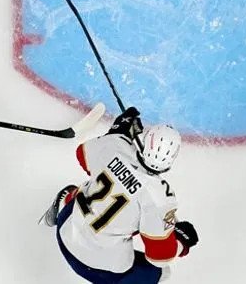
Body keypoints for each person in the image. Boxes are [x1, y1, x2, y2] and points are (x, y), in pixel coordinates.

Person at [41, 107, 198, 283]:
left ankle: (63, 202)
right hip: (97, 270)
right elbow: (160, 256)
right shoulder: (159, 198)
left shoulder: (115, 145)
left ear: (145, 140)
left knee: (89, 189)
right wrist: (181, 242)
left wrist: (116, 134)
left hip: (65, 230)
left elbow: (82, 156)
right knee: (162, 272)